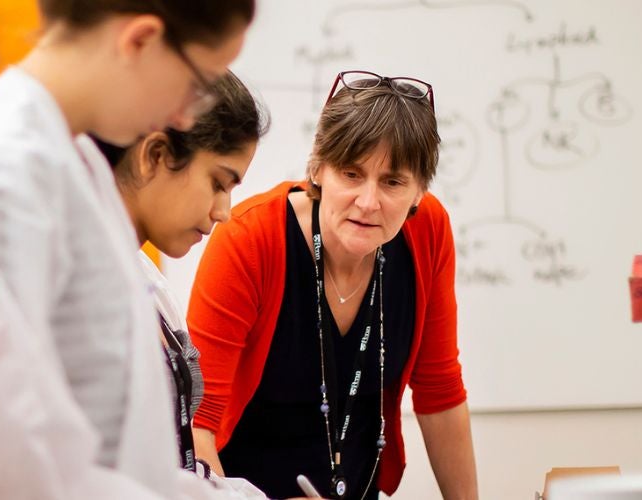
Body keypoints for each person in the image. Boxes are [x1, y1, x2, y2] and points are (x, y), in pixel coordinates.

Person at [0, 0, 255, 498]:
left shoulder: (72, 156)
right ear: (140, 40)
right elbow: (1, 452)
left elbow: (116, 444)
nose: (185, 114)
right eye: (196, 83)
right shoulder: (7, 168)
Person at [187, 70, 480, 500]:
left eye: (393, 182)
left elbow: (440, 391)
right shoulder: (250, 239)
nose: (368, 202)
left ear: (419, 190)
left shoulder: (428, 231)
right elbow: (197, 423)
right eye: (351, 173)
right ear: (318, 168)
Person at [93, 70, 271, 499]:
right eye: (218, 183)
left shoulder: (148, 283)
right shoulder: (86, 287)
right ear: (155, 155)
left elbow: (171, 468)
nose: (224, 211)